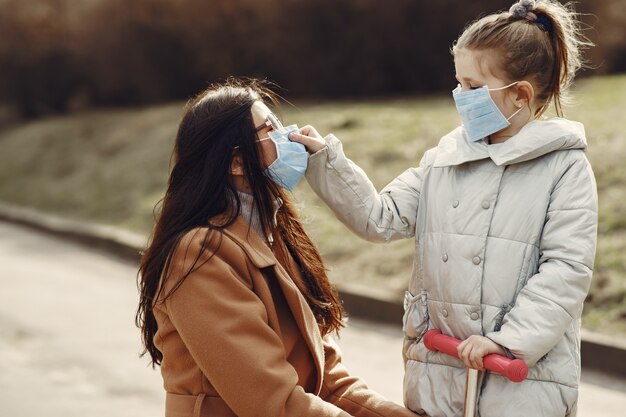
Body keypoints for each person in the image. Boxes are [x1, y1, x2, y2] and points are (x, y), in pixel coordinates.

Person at [289, 1, 597, 416]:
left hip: (519, 380)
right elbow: (380, 218)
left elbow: (566, 269)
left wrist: (508, 341)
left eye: (472, 87)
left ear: (520, 95)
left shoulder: (564, 167)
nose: (460, 97)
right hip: (441, 366)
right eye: (458, 84)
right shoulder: (444, 158)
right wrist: (326, 160)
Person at [135, 78, 421, 417]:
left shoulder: (273, 234)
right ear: (236, 162)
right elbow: (271, 400)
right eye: (271, 129)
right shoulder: (199, 254)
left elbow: (328, 382)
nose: (291, 136)